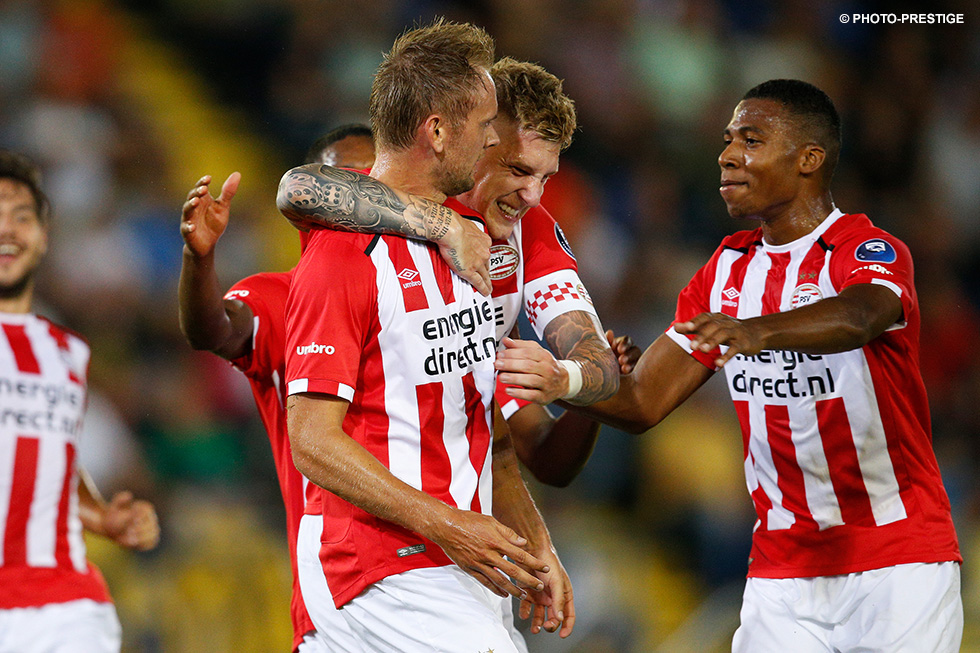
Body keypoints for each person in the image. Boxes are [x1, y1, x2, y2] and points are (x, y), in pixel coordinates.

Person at [540, 79, 963, 652]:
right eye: (727, 139)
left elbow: (863, 315)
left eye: (751, 140)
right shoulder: (725, 272)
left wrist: (755, 332)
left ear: (808, 159)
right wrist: (561, 379)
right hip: (781, 574)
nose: (727, 155)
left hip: (897, 561)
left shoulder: (864, 249)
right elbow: (642, 401)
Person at [277, 19, 572, 652]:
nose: (492, 138)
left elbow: (483, 430)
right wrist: (448, 525)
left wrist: (534, 542)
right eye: (484, 123)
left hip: (458, 564)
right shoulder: (345, 255)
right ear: (436, 131)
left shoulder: (472, 246)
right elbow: (310, 440)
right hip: (381, 568)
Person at [279, 57, 622, 489]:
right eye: (518, 170)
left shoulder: (530, 231)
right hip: (363, 491)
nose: (533, 196)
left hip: (455, 486)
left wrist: (563, 378)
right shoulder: (383, 201)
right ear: (479, 139)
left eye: (545, 177)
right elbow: (299, 188)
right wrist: (446, 226)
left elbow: (599, 362)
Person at [178, 127, 376, 652]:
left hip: (436, 571)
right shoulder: (281, 296)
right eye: (342, 181)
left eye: (372, 181)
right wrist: (199, 259)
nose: (359, 196)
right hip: (336, 602)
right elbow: (213, 330)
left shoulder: (430, 301)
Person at [0, 149, 160, 653]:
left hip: (66, 602)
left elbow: (50, 460)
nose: (7, 231)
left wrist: (100, 518)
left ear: (43, 236)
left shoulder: (67, 351)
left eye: (21, 217)